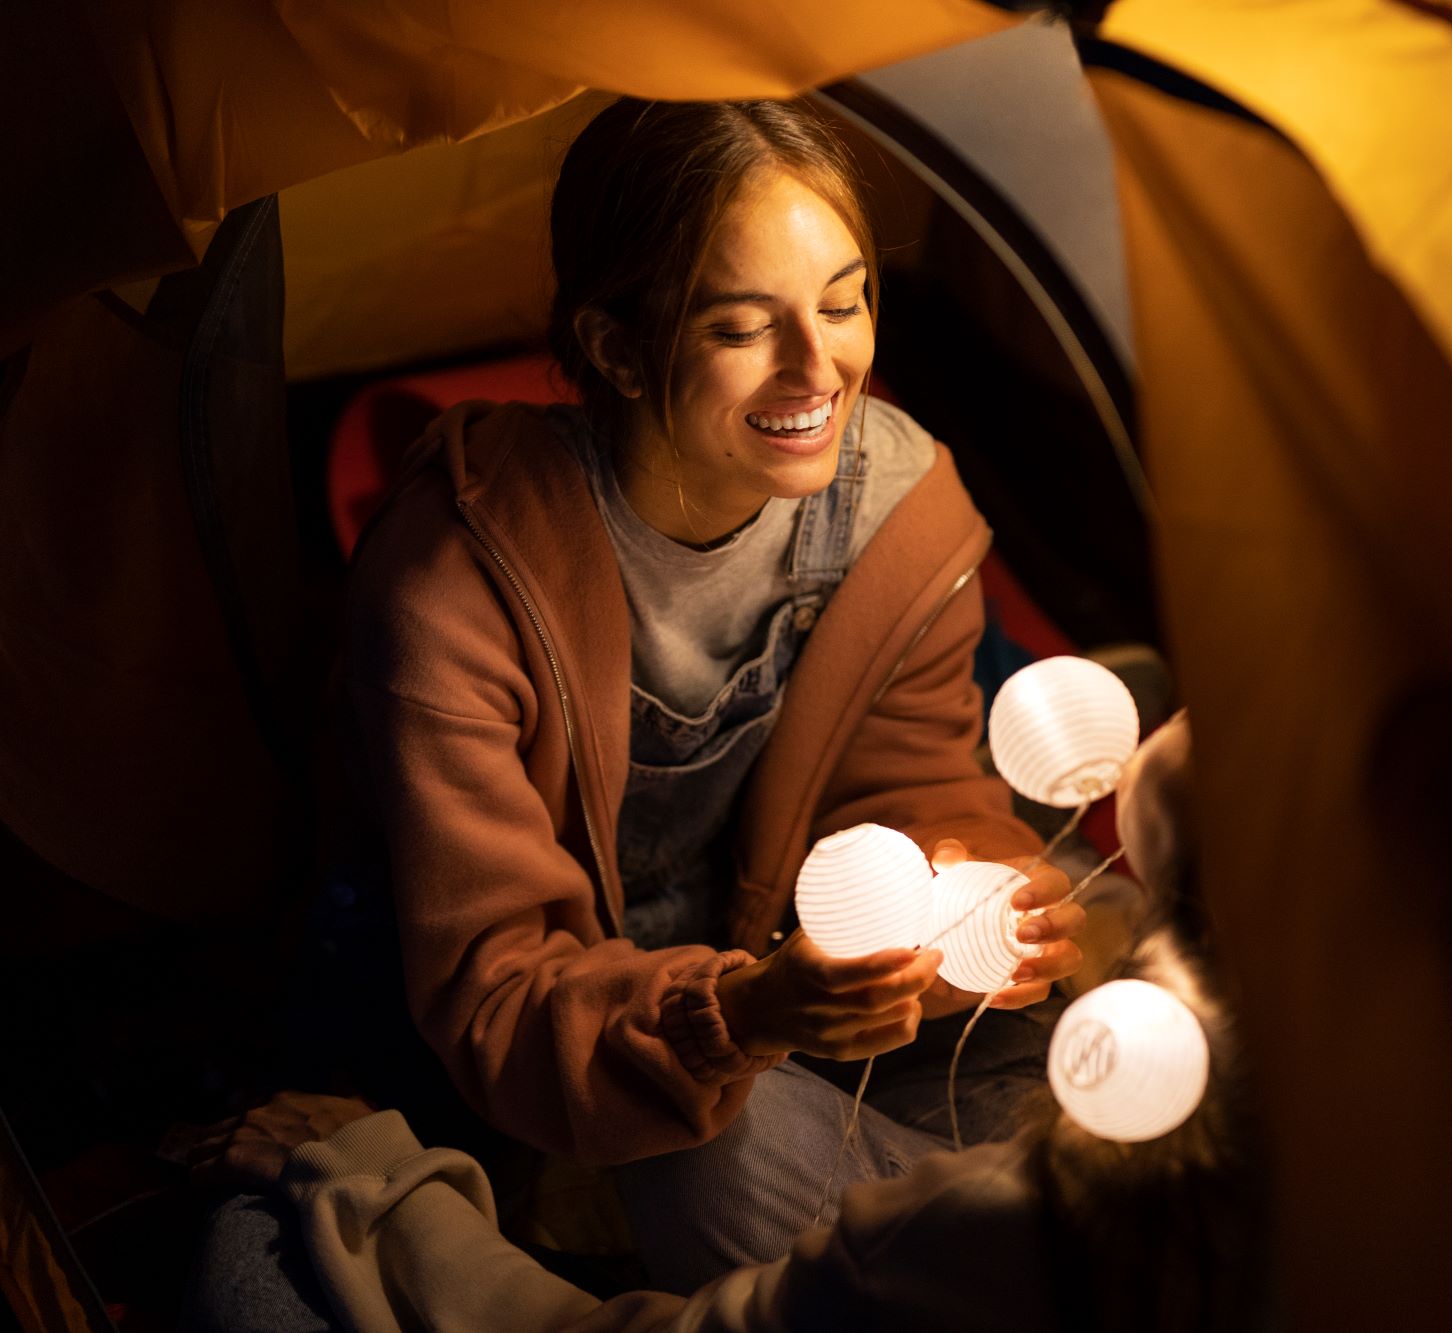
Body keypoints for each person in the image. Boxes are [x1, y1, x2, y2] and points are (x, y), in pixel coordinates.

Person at [333, 96, 1086, 1285]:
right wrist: (742, 1020)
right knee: (712, 1158)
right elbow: (498, 983)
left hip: (813, 991)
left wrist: (979, 903)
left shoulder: (895, 505)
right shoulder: (454, 585)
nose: (820, 367)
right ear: (619, 347)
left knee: (1099, 1073)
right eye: (743, 327)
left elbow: (915, 787)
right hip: (620, 1044)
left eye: (844, 303)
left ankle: (959, 1257)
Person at [189, 714, 1270, 1333]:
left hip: (1020, 1261)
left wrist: (383, 1179)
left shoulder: (1027, 1225)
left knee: (250, 1255)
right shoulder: (1377, 1048)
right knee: (692, 1130)